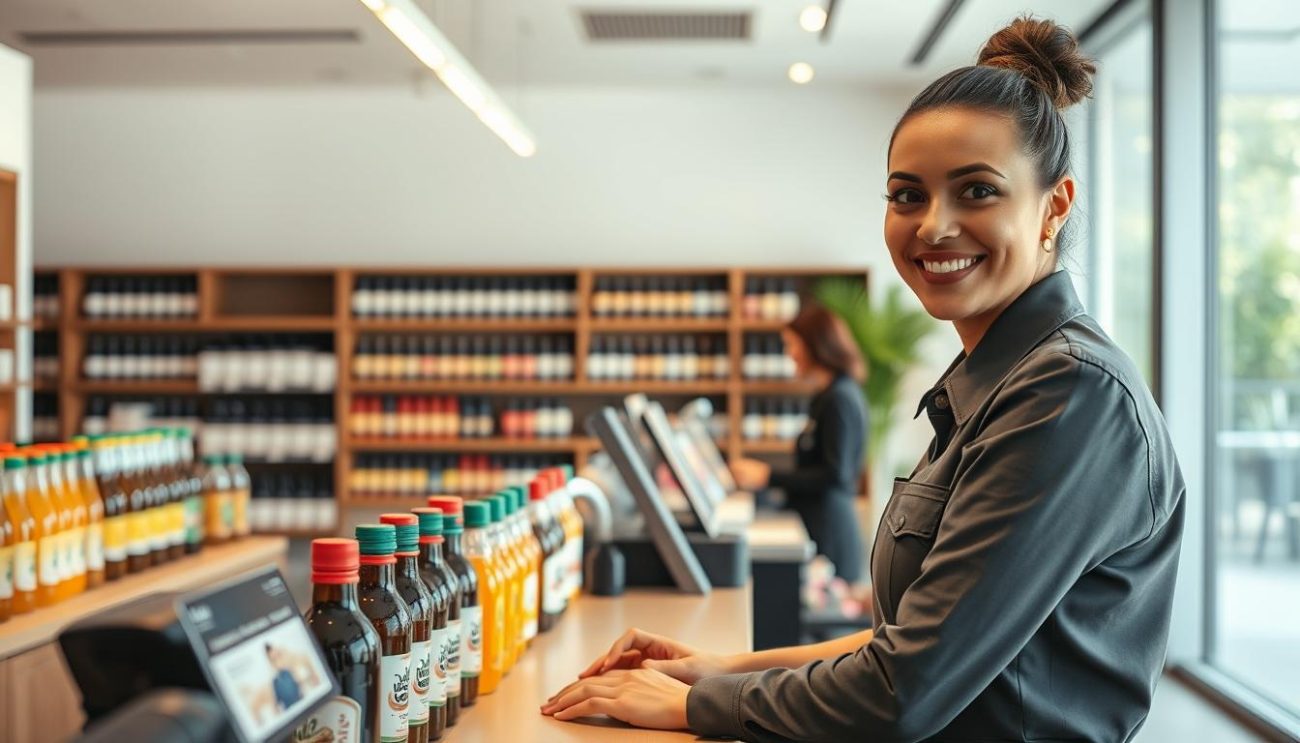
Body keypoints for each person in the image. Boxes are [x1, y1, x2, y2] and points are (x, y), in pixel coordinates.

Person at [542, 16, 1186, 742]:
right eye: (907, 195)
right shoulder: (990, 387)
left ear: (1054, 206)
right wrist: (717, 668)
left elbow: (901, 693)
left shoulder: (1069, 395)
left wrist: (695, 705)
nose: (934, 226)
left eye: (977, 191)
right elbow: (906, 642)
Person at [730, 304, 869, 585]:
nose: (788, 354)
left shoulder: (839, 399)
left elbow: (835, 475)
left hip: (831, 534)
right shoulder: (824, 396)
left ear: (816, 345)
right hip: (818, 524)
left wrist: (767, 476)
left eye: (791, 344)